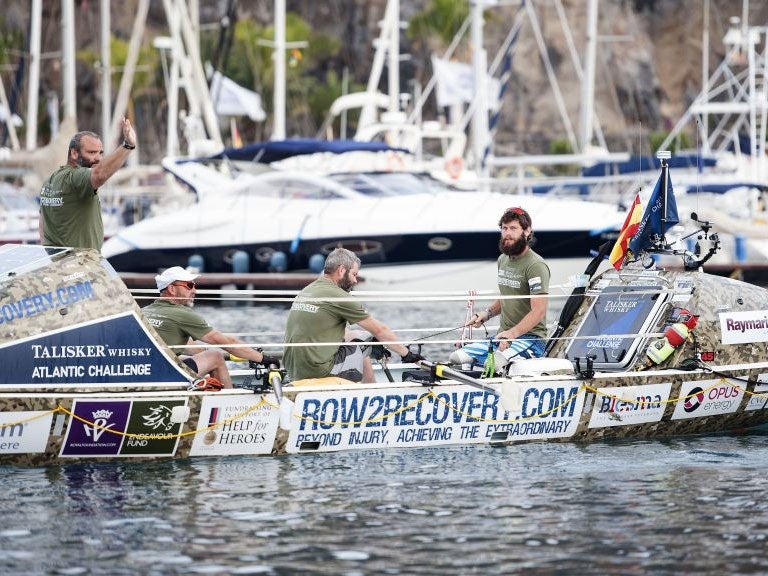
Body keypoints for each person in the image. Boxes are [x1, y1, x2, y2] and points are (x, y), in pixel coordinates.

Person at [284, 248, 423, 383]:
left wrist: (378, 341)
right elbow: (380, 330)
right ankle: (371, 391)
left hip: (293, 370)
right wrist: (406, 354)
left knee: (360, 336)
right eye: (354, 274)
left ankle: (369, 386)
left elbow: (339, 332)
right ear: (342, 270)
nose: (356, 281)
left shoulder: (307, 290)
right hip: (317, 371)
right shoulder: (339, 296)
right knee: (365, 342)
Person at [142, 266, 279, 389]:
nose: (194, 290)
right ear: (172, 289)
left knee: (186, 356)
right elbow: (226, 342)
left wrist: (205, 353)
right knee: (215, 356)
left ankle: (210, 389)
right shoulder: (182, 314)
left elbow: (187, 345)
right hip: (160, 375)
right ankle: (229, 405)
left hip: (145, 371)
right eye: (189, 286)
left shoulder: (145, 311)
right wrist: (262, 358)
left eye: (194, 285)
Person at [450, 206, 550, 368]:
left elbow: (539, 311)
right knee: (457, 358)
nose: (508, 233)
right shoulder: (503, 259)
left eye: (513, 228)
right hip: (502, 336)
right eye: (504, 228)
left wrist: (512, 334)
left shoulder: (535, 265)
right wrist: (487, 314)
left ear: (527, 231)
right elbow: (506, 296)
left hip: (530, 339)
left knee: (494, 363)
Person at [39, 117, 137, 250]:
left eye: (100, 153)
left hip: (58, 264)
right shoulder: (76, 177)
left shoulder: (50, 180)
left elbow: (43, 223)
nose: (98, 158)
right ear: (74, 153)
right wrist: (128, 145)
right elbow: (99, 174)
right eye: (91, 152)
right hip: (80, 263)